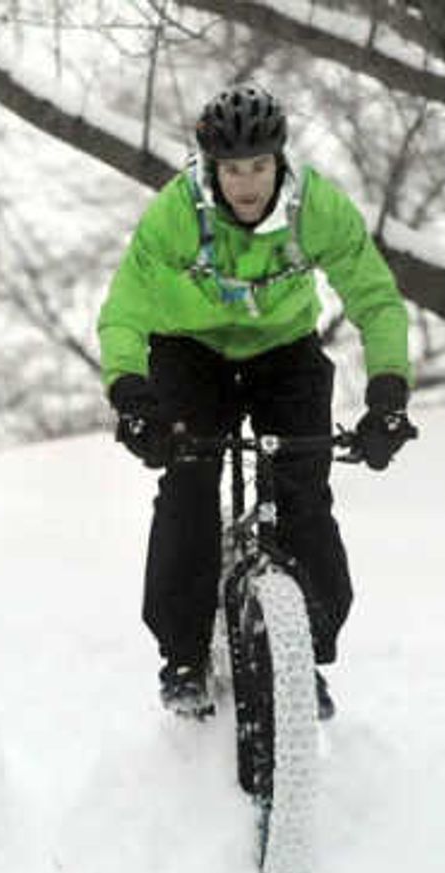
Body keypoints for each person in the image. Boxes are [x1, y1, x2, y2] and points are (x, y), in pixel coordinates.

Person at [97, 81, 418, 719]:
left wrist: (388, 394)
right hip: (190, 352)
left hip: (282, 352)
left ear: (280, 161)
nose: (246, 184)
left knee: (302, 490)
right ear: (211, 168)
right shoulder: (176, 214)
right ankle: (183, 656)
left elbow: (375, 298)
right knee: (188, 486)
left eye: (259, 167)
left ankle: (306, 657)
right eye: (232, 169)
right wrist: (132, 394)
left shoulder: (315, 209)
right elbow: (125, 313)